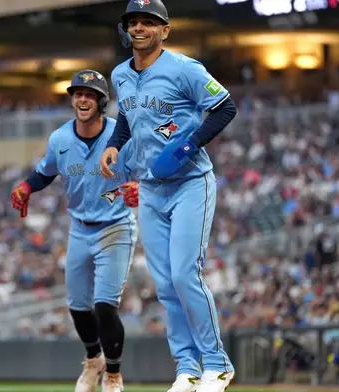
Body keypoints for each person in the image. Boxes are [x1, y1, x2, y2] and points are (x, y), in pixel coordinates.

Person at [99, 1, 238, 392]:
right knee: (164, 284)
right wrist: (113, 144)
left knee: (183, 273)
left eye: (148, 22)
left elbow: (225, 107)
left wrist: (189, 145)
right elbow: (127, 116)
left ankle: (217, 364)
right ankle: (187, 368)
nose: (139, 28)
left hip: (191, 183)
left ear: (165, 30)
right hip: (150, 189)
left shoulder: (184, 69)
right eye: (133, 22)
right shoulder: (120, 74)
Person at [11, 69, 139, 392]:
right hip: (80, 227)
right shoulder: (60, 139)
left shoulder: (119, 135)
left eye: (90, 95)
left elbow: (145, 171)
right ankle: (93, 358)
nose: (82, 99)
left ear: (101, 102)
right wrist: (27, 186)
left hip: (116, 225)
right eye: (78, 93)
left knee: (104, 305)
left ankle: (112, 375)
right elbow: (44, 173)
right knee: (77, 307)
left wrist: (140, 186)